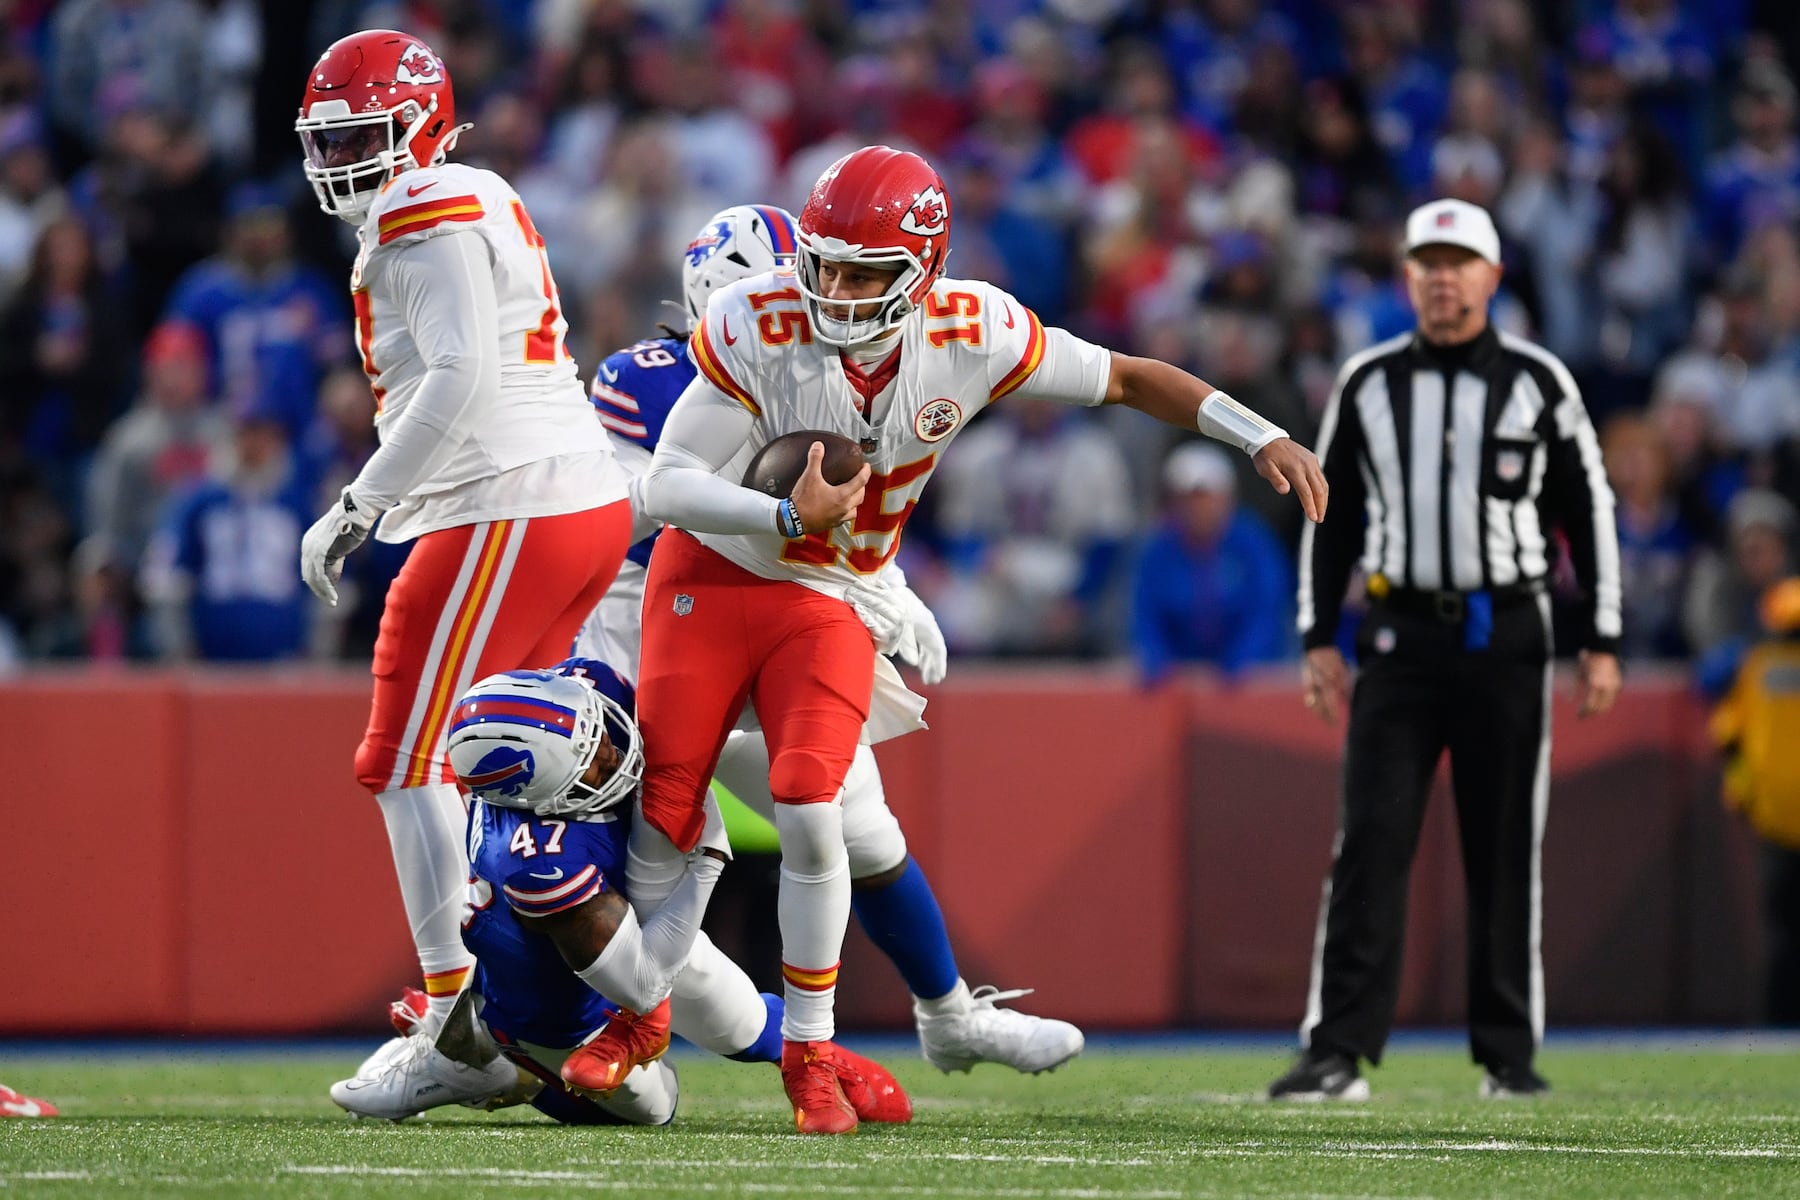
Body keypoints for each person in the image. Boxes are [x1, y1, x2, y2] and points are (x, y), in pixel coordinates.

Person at [629, 145, 1326, 1134]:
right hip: (684, 593)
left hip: (826, 595)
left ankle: (922, 1022)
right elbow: (642, 499)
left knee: (841, 827)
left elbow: (1125, 378)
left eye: (861, 273)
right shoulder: (722, 344)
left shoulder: (973, 326)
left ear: (922, 270)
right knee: (680, 823)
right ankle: (621, 1021)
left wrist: (1256, 432)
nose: (832, 292)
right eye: (818, 266)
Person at [580, 203, 1087, 1076]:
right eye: (799, 284)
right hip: (648, 633)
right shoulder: (662, 374)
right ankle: (570, 1022)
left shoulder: (829, 363)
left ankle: (947, 1016)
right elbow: (663, 510)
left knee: (859, 830)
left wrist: (881, 582)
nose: (816, 307)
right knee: (627, 844)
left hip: (780, 616)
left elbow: (836, 527)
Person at [292, 30, 633, 1045]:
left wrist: (360, 502)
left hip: (504, 498)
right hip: (557, 495)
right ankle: (557, 1011)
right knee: (503, 763)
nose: (348, 160)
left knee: (405, 756)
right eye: (332, 139)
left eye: (366, 134)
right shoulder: (468, 193)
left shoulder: (424, 207)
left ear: (424, 121)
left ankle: (456, 1017)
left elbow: (460, 380)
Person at [1279, 198, 1623, 1101]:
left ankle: (1508, 1055)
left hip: (1508, 632)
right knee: (1371, 841)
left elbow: (1589, 508)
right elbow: (1331, 512)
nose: (1441, 277)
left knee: (1506, 845)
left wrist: (1602, 639)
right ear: (1407, 276)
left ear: (1492, 277)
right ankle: (1337, 1051)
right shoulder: (1367, 380)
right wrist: (1319, 635)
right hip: (1397, 636)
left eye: (1458, 261)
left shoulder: (1540, 381)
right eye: (1426, 262)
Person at [330, 661, 910, 1129]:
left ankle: (817, 1056)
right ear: (540, 798)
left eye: (598, 735)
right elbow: (646, 979)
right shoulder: (540, 862)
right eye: (591, 761)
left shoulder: (585, 687)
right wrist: (706, 862)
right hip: (562, 996)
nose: (612, 753)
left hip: (624, 911)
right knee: (655, 1106)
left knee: (731, 1008)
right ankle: (494, 1060)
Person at [1709, 578, 1800, 1028]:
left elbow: (1727, 734)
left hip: (1774, 819)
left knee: (1781, 933)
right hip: (1776, 818)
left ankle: (1777, 1023)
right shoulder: (1757, 666)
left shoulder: (1759, 665)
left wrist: (1741, 792)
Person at [1128, 441, 1295, 682]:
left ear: (1227, 498)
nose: (1199, 508)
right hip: (1180, 675)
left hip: (1251, 677)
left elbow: (1268, 609)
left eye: (1206, 498)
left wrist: (1242, 662)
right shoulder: (1158, 549)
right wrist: (1158, 663)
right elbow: (1144, 613)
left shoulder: (1253, 543)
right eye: (1189, 499)